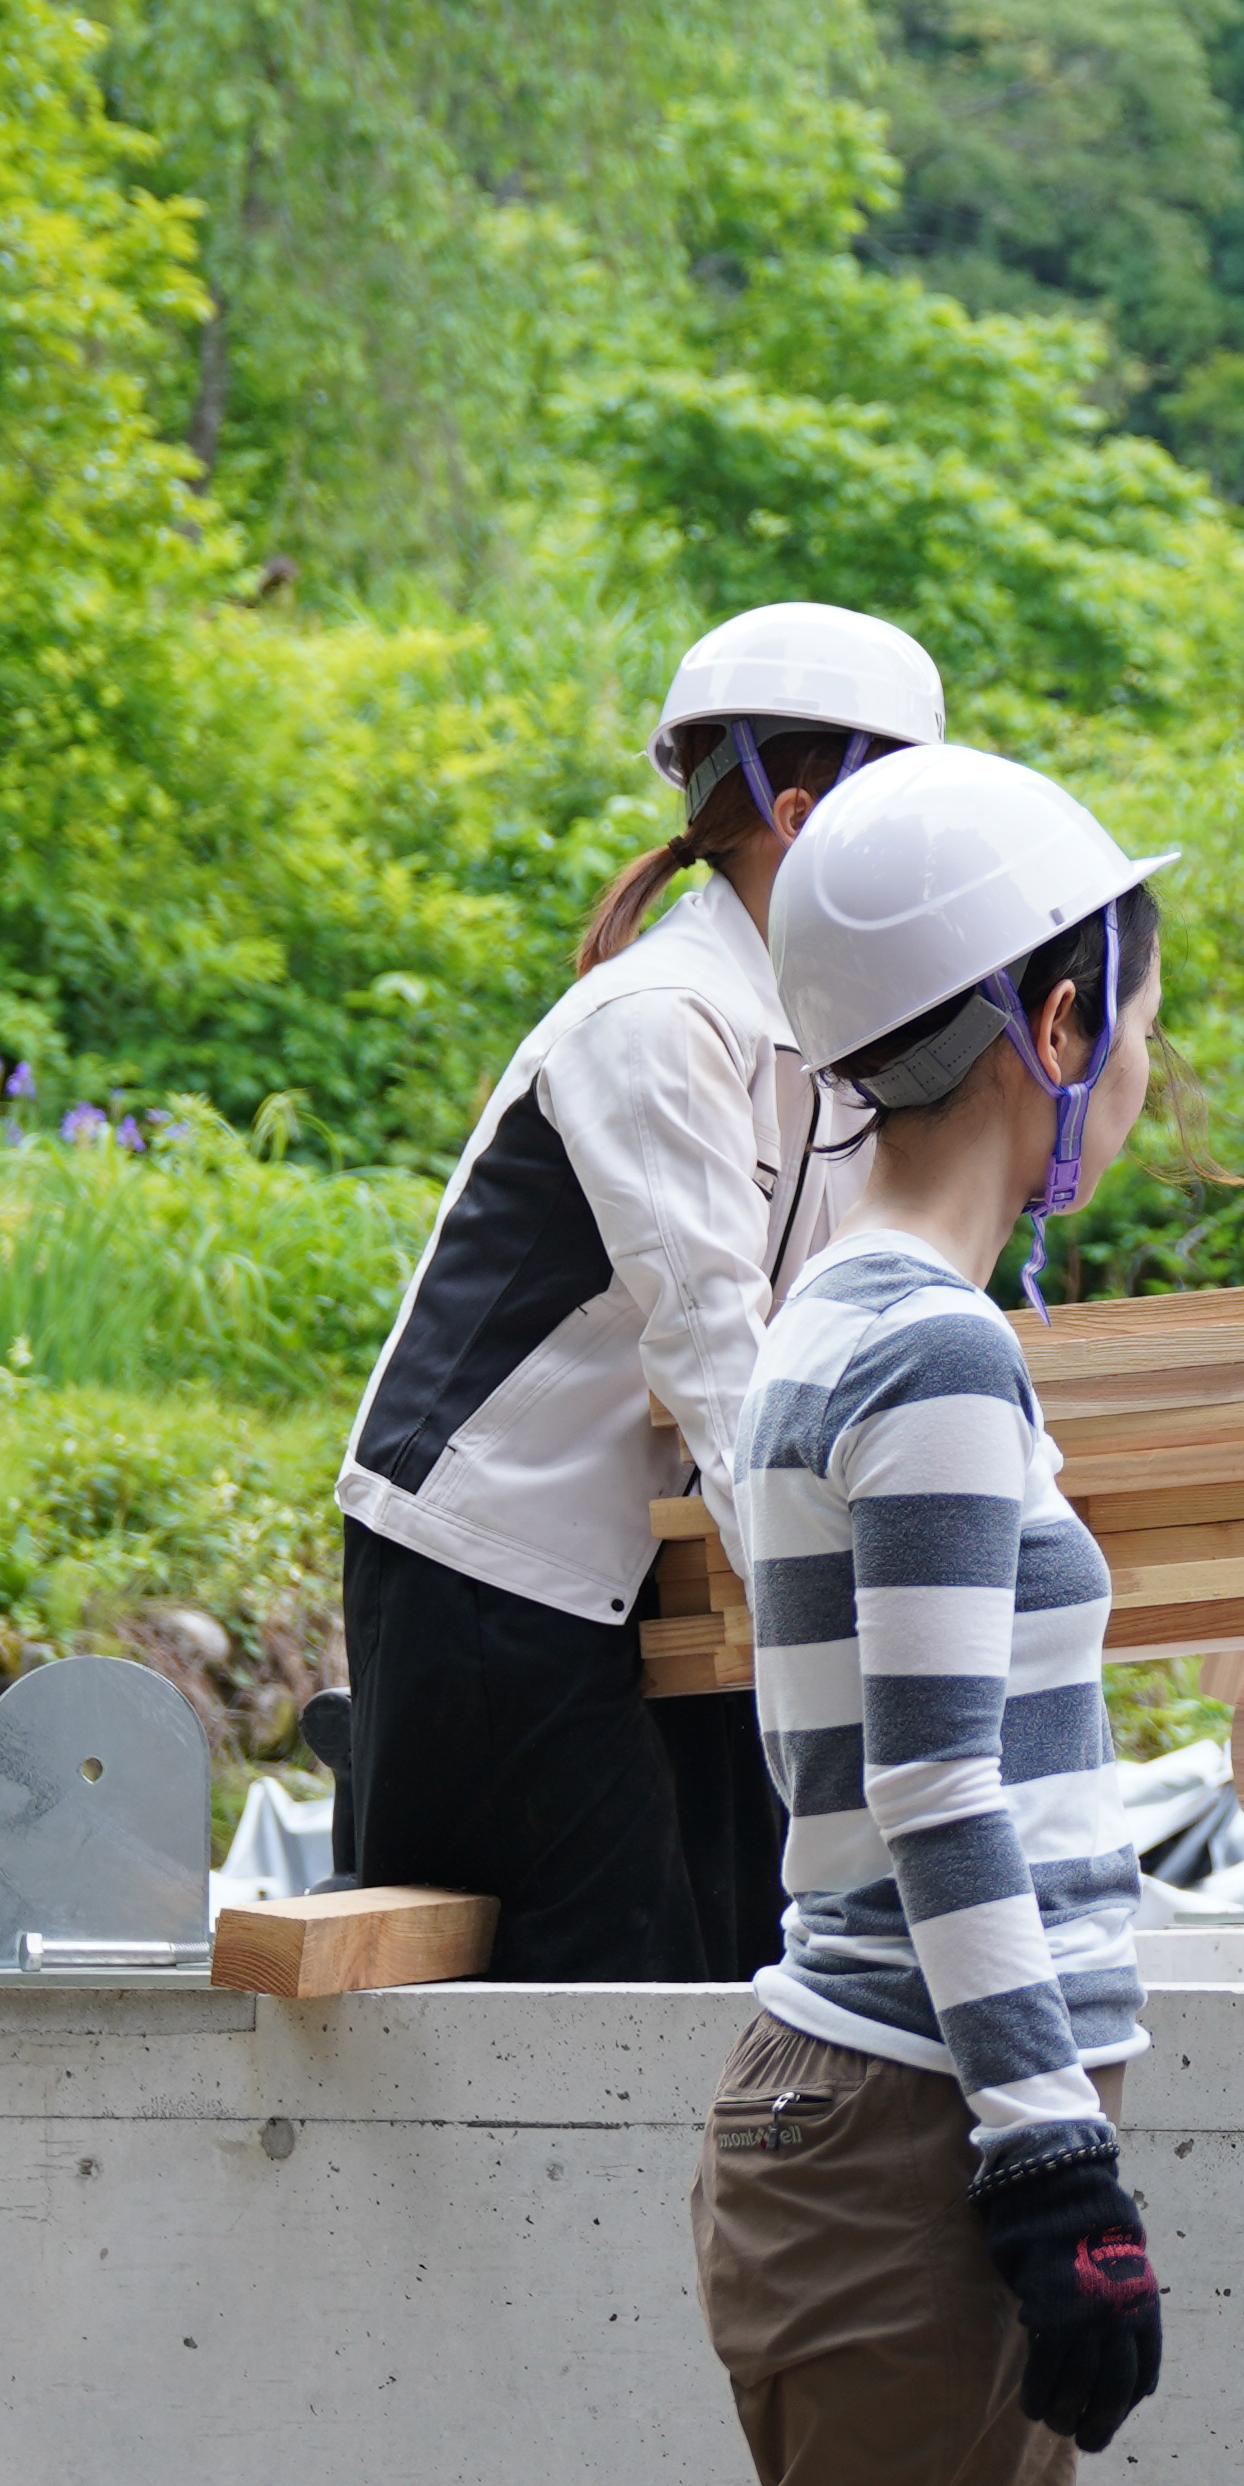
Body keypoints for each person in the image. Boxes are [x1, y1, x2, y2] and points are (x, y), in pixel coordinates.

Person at [681, 743, 1176, 2486]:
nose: (1147, 1050)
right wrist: (1051, 2152)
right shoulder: (942, 1350)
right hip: (913, 2122)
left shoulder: (827, 1313)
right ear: (1050, 1025)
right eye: (1130, 1001)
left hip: (852, 2102)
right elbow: (941, 1787)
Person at [329, 604, 945, 1992]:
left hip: (664, 1571)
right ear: (801, 812)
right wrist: (861, 1636)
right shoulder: (656, 1021)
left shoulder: (822, 1043)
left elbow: (842, 1333)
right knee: (605, 1974)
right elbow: (726, 1355)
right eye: (901, 814)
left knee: (740, 1941)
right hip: (491, 1565)